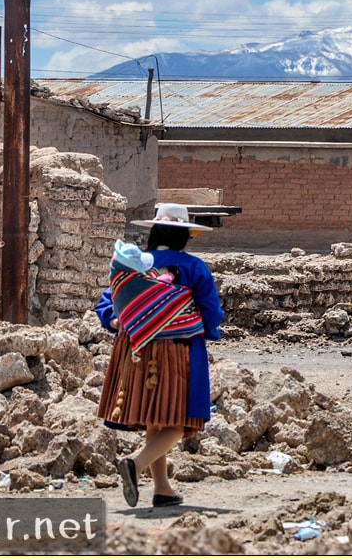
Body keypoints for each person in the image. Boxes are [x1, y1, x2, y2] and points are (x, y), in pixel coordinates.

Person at [95, 202, 224, 508]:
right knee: (178, 422)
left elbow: (109, 299)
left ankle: (162, 489)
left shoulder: (135, 264)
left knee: (157, 417)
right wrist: (205, 328)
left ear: (154, 232)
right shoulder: (193, 267)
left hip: (135, 349)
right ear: (184, 237)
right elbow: (211, 311)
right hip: (178, 349)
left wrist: (119, 320)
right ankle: (135, 465)